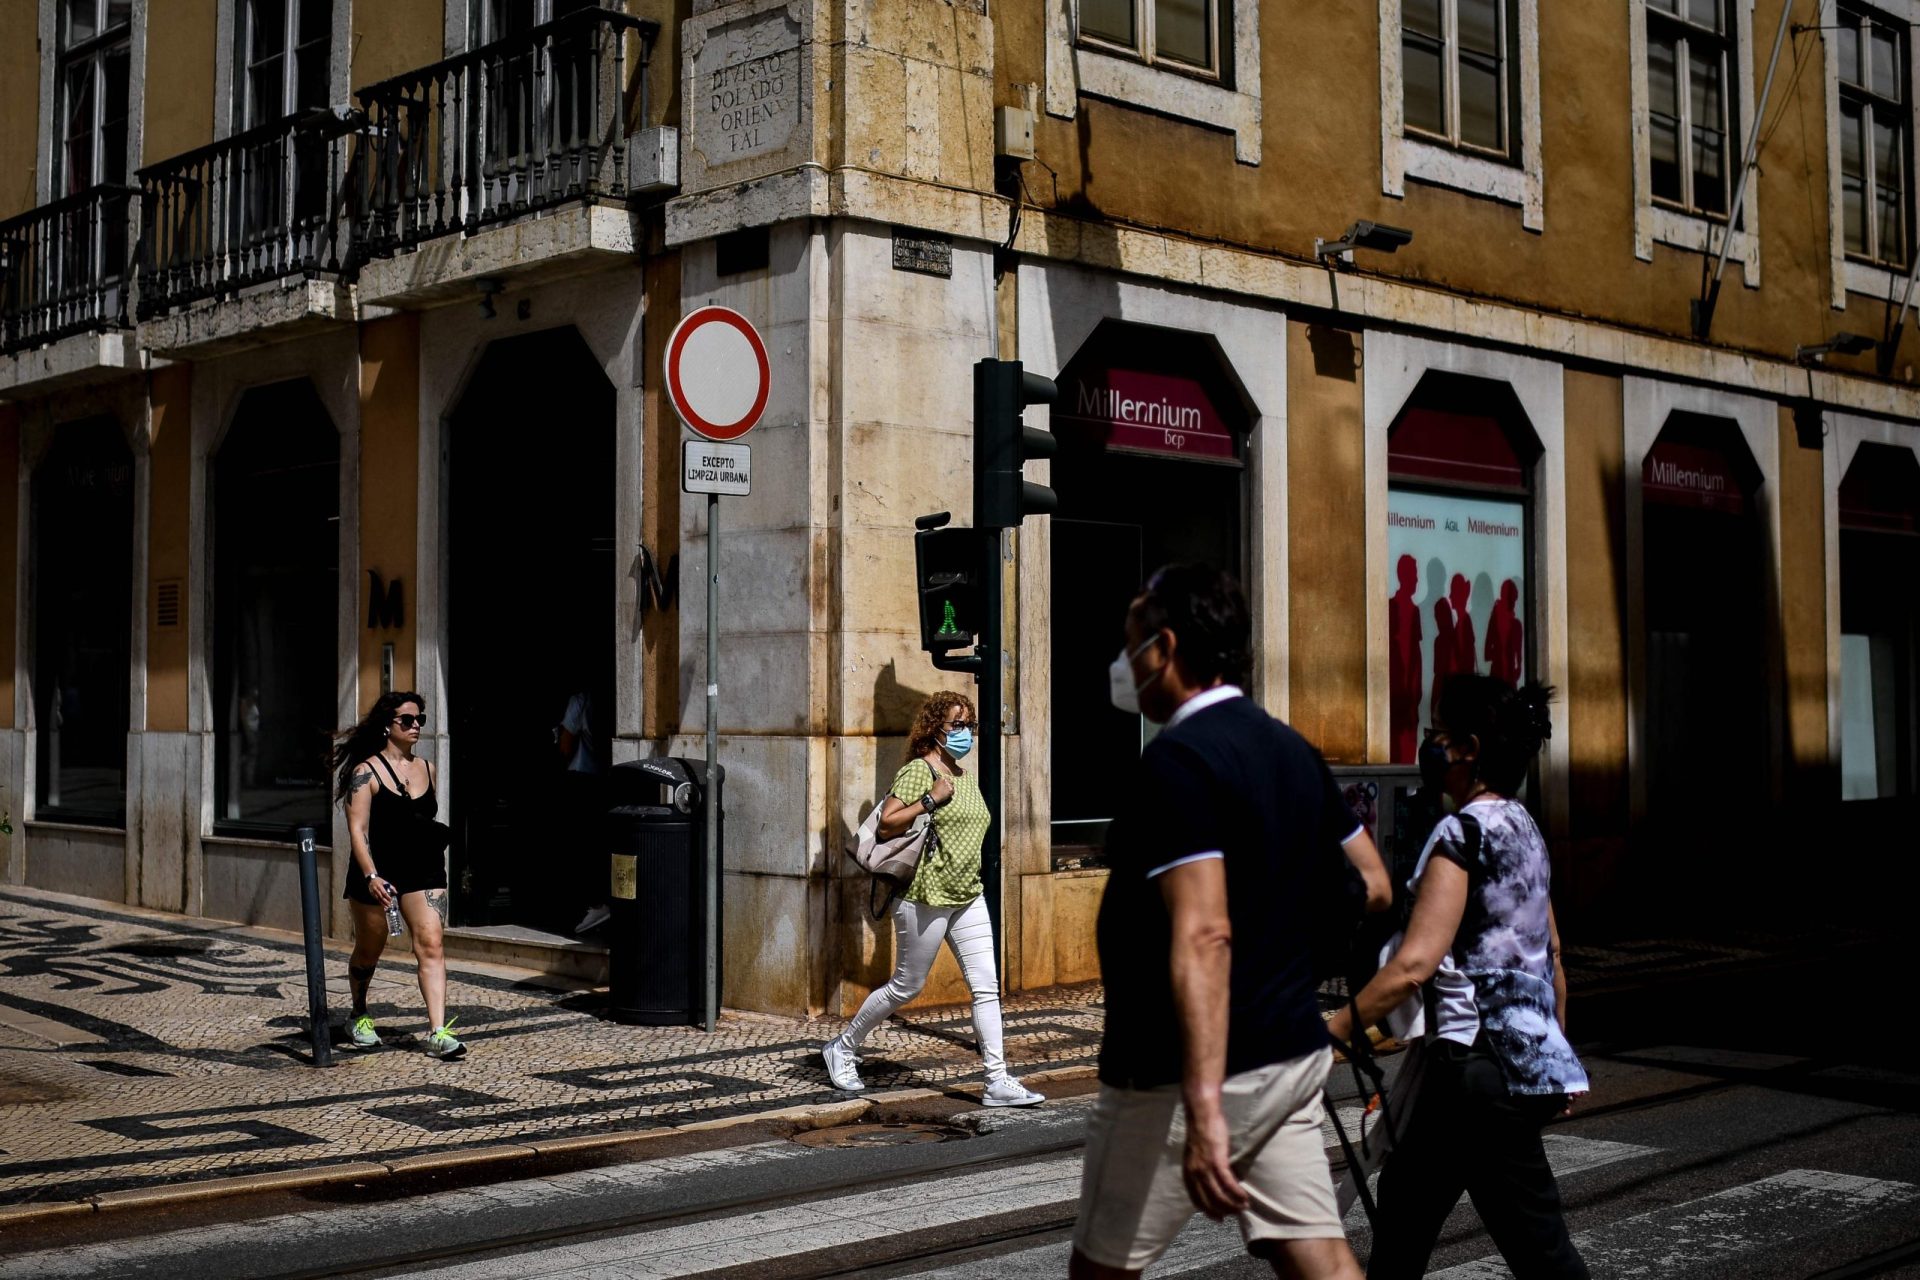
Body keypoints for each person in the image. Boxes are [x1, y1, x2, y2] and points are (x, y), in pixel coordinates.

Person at [1071, 564, 1365, 1280]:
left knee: (1101, 1274)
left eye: (1130, 644)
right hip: (1289, 1054)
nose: (1123, 665)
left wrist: (1205, 1113)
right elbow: (1370, 883)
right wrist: (1284, 962)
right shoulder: (1292, 751)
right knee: (1320, 1261)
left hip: (1180, 1076)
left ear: (1165, 649)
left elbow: (1203, 933)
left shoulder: (1177, 763)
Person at [1328, 674, 1588, 1280]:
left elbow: (1414, 965)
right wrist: (1554, 1054)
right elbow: (1551, 954)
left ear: (1468, 748)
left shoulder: (1461, 833)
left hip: (1480, 1073)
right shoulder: (1524, 828)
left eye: (1436, 734)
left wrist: (1333, 1032)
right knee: (1405, 1210)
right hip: (1487, 1071)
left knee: (1541, 1251)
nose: (1429, 747)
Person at [821, 691, 1044, 1108]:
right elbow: (886, 824)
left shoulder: (963, 774)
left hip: (967, 895)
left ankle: (996, 1080)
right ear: (935, 728)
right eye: (957, 725)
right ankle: (843, 1047)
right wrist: (928, 800)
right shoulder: (917, 772)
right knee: (906, 985)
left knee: (986, 989)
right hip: (924, 897)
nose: (965, 733)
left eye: (970, 726)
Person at [334, 691, 466, 1060]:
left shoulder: (428, 768)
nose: (415, 726)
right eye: (407, 720)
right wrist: (372, 875)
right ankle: (358, 1014)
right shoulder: (365, 772)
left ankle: (438, 1032)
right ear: (386, 726)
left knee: (431, 944)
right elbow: (357, 830)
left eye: (420, 719)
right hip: (379, 873)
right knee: (369, 949)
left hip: (424, 869)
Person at [557, 687, 612, 934]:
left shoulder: (580, 699)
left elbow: (565, 744)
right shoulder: (608, 698)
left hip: (581, 777)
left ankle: (594, 904)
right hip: (607, 779)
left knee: (580, 844)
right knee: (599, 841)